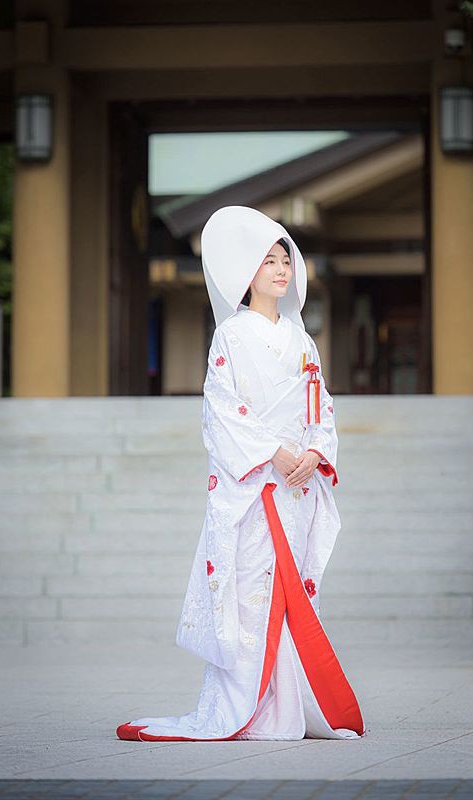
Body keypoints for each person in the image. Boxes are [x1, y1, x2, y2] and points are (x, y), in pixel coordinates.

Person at [116, 205, 365, 742]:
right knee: (250, 591)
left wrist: (315, 452)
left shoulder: (303, 340)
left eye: (285, 260)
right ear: (247, 273)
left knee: (294, 591)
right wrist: (273, 451)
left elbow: (321, 406)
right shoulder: (230, 335)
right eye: (269, 261)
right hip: (257, 486)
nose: (281, 270)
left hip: (297, 487)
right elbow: (221, 409)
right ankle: (248, 706)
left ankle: (290, 706)